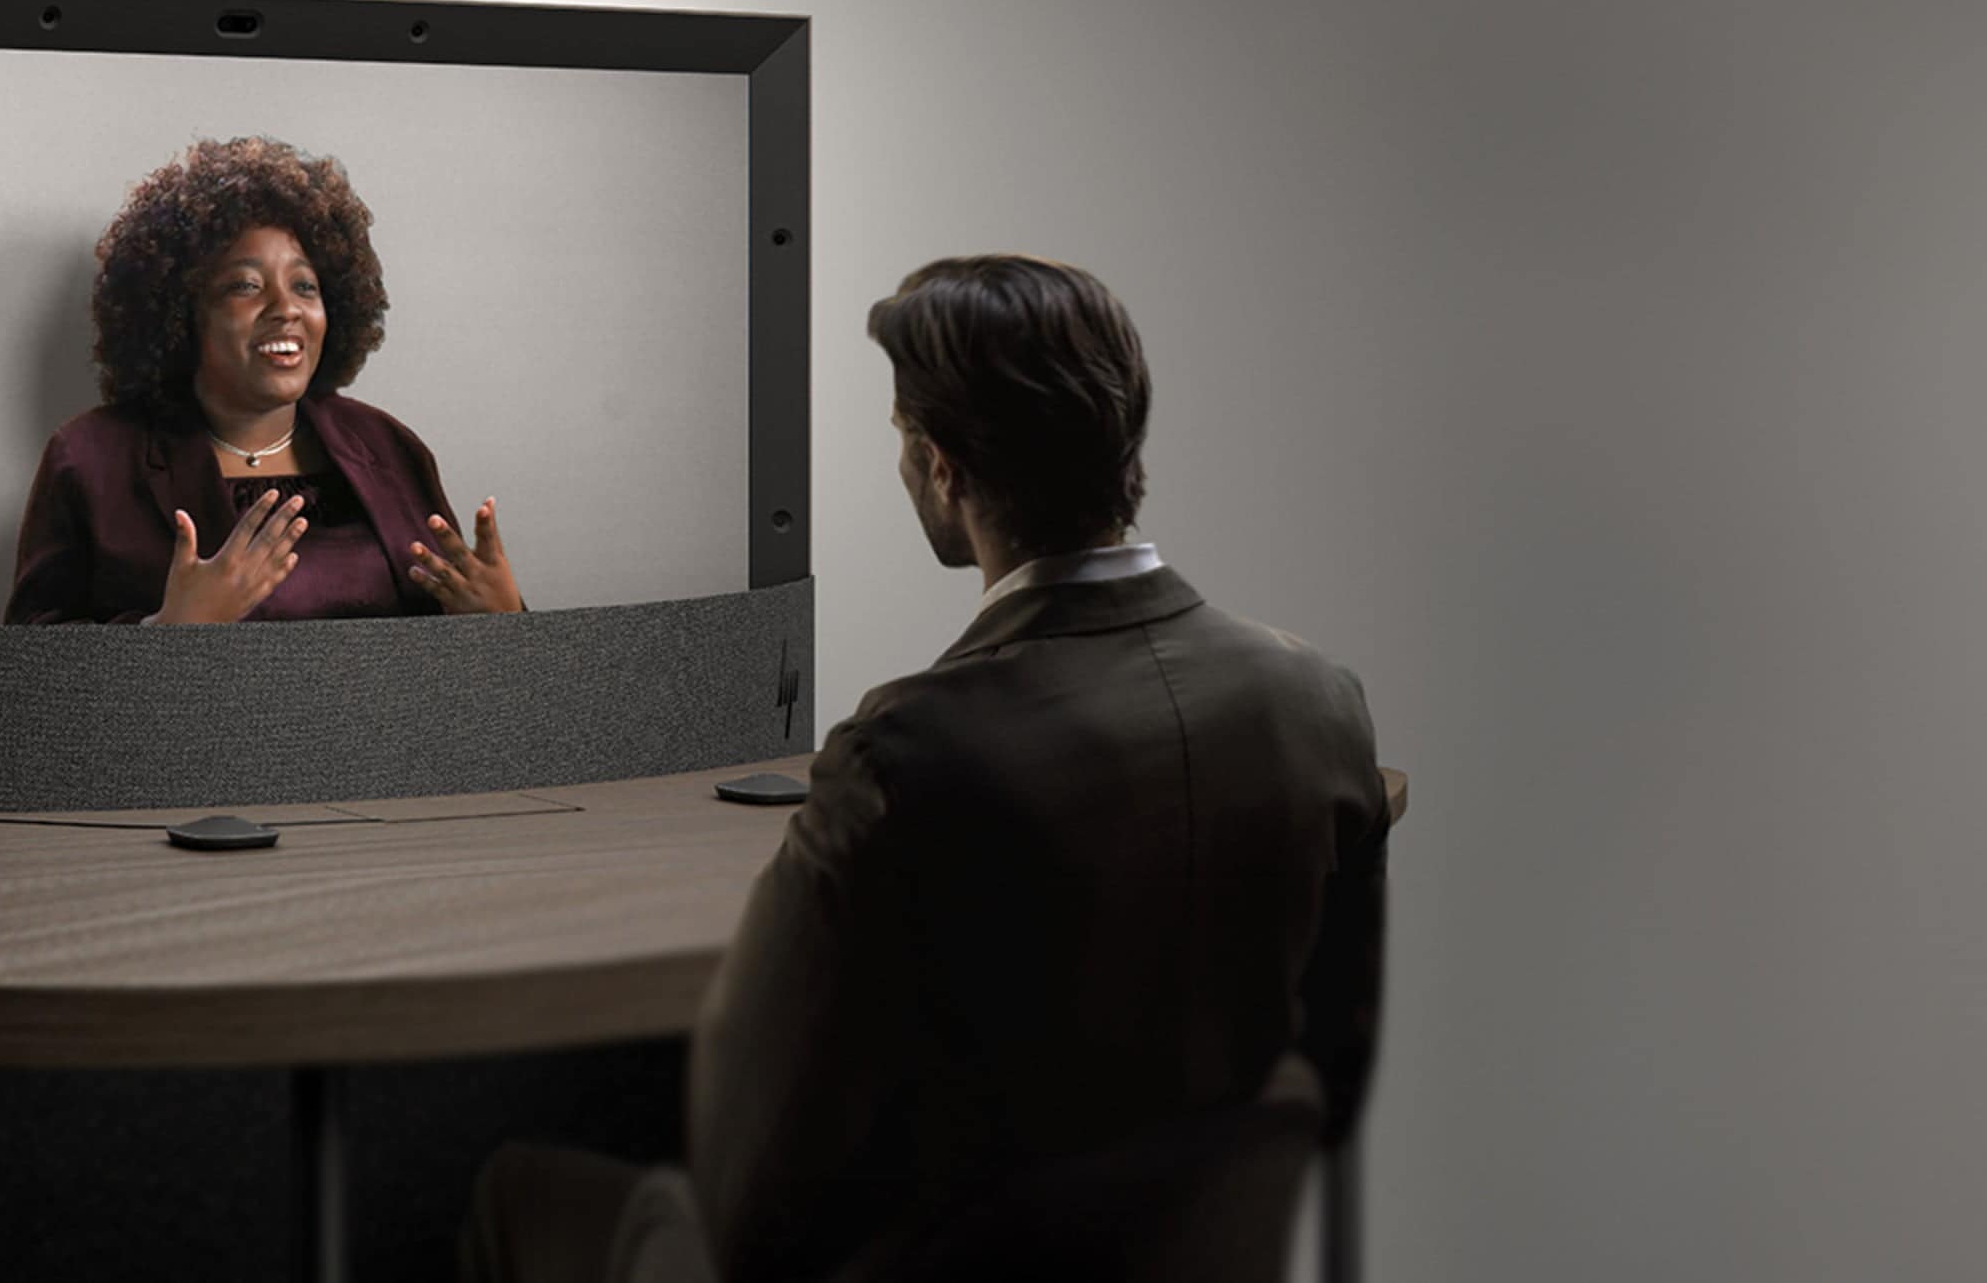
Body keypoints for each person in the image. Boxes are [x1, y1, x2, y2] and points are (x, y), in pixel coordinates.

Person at [465, 256, 1388, 1282]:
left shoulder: (906, 758)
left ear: (943, 467)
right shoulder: (1319, 700)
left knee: (519, 1189)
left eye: (903, 435)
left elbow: (748, 1202)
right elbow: (1330, 1076)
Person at [5, 136, 525, 625]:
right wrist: (165, 635)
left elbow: (470, 669)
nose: (286, 310)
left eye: (305, 285)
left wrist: (506, 623)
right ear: (182, 313)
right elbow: (27, 679)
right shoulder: (91, 459)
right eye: (246, 285)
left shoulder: (388, 447)